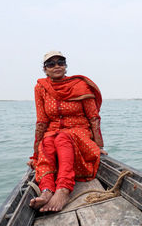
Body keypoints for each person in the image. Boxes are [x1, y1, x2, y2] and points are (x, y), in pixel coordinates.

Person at [27, 51, 107, 212]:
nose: (56, 66)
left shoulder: (80, 85)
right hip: (53, 132)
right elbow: (42, 122)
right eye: (51, 64)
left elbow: (93, 118)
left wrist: (99, 145)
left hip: (79, 132)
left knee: (62, 137)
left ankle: (63, 189)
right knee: (48, 141)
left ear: (65, 65)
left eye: (60, 62)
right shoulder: (41, 88)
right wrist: (35, 154)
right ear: (45, 69)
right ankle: (47, 190)